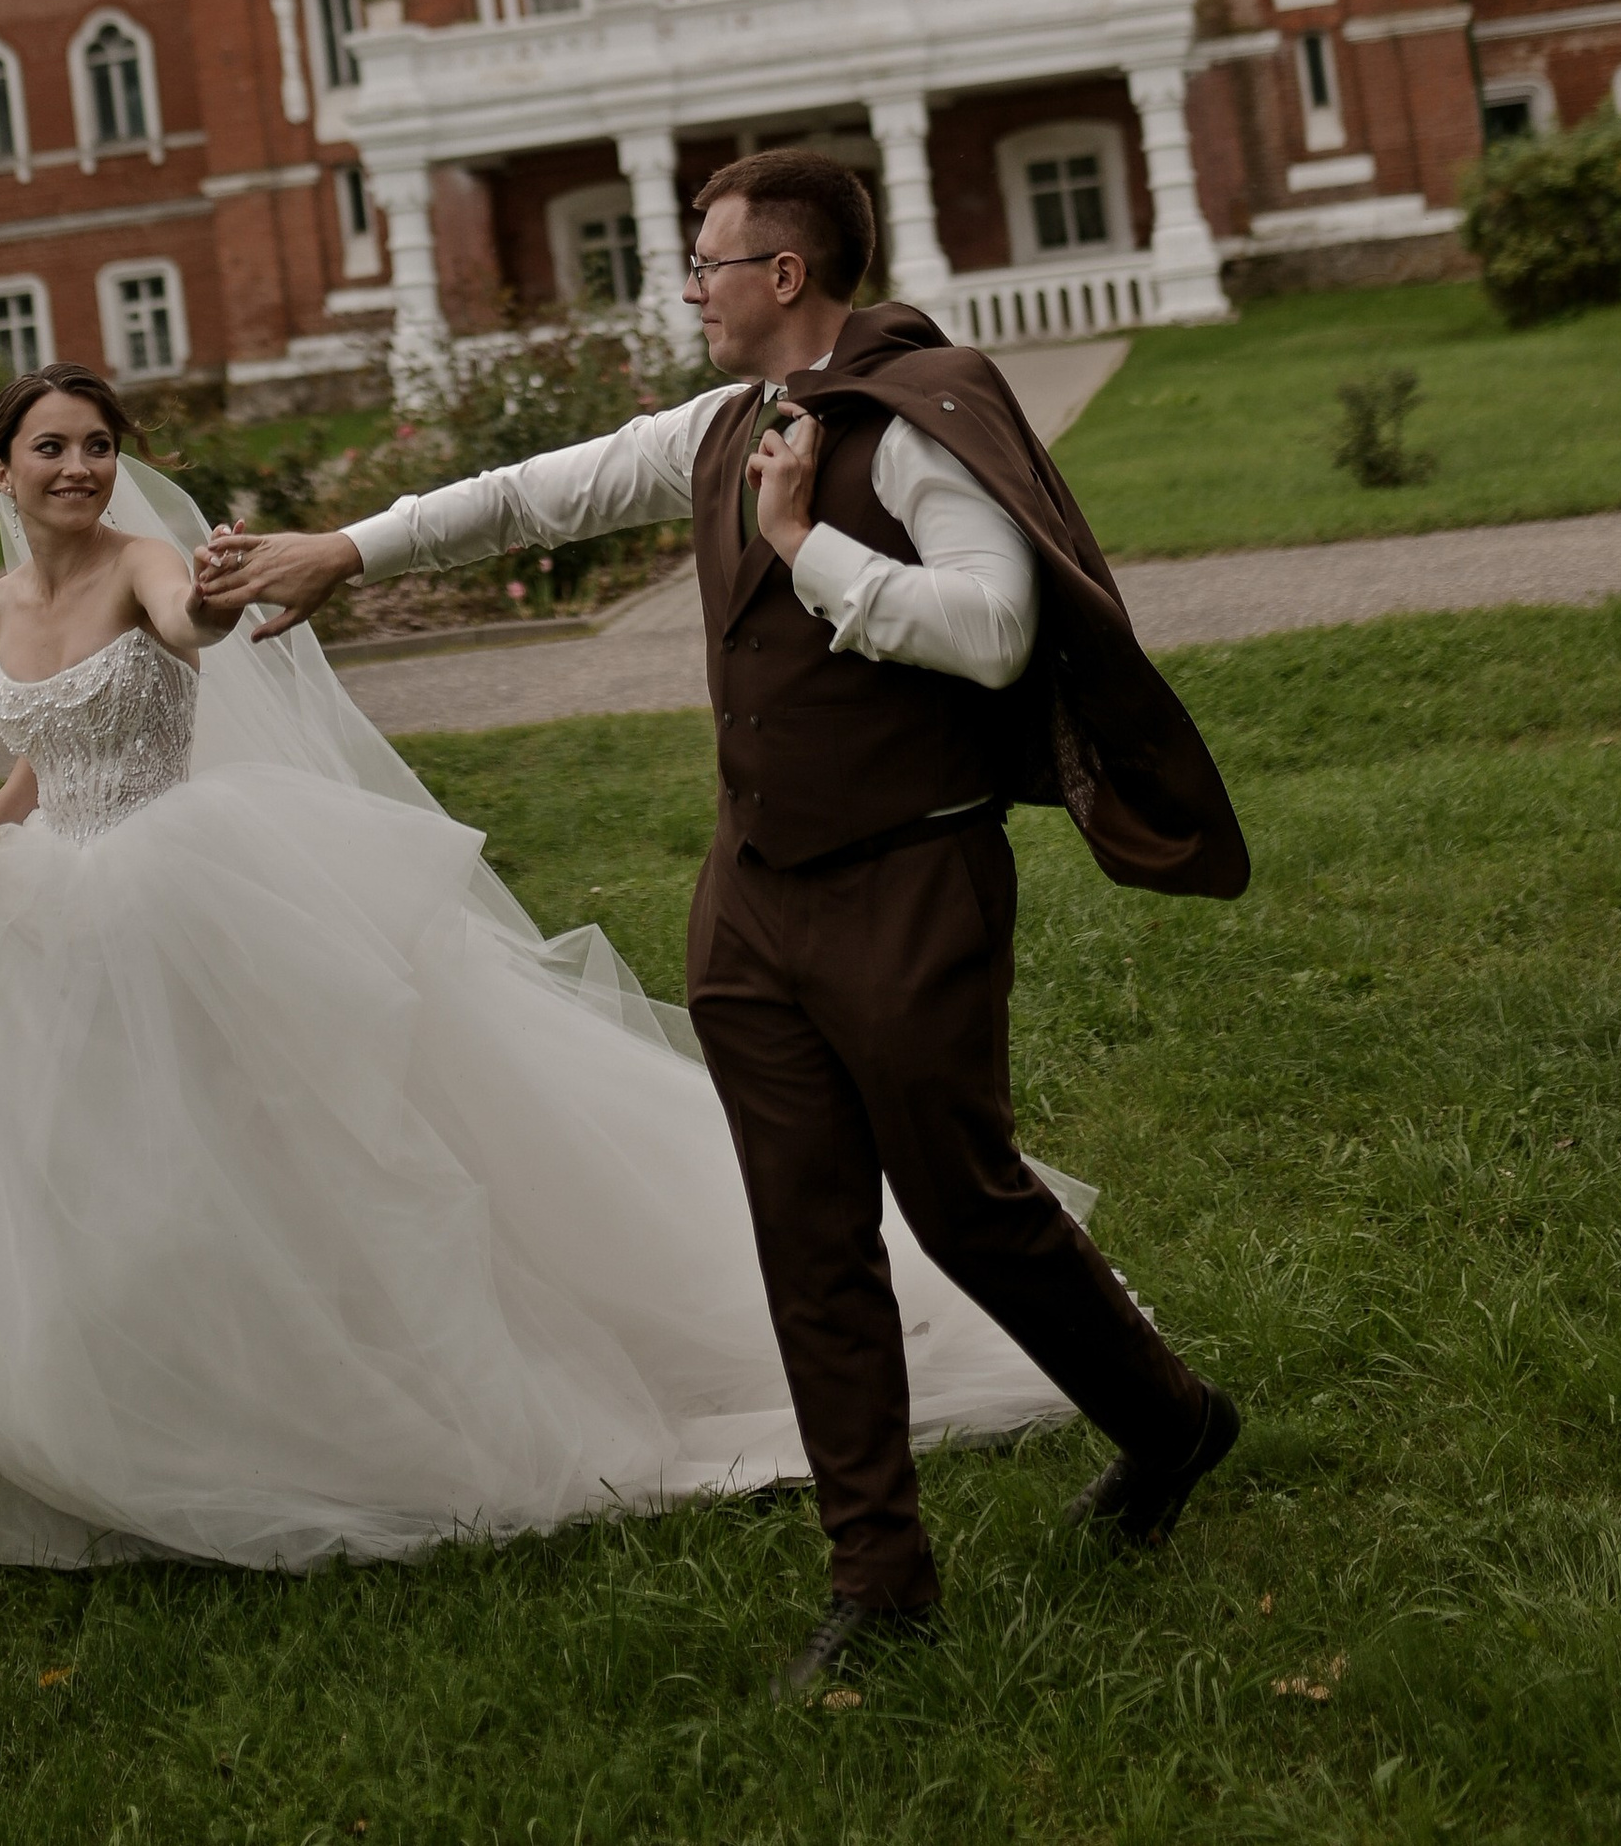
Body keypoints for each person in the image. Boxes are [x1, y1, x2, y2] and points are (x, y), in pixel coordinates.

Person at [0, 357, 1091, 1593]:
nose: (80, 469)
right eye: (51, 449)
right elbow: (47, 754)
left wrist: (216, 587)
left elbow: (187, 630)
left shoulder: (144, 565)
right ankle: (112, 1397)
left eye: (99, 447)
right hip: (53, 898)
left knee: (252, 1155)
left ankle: (308, 1405)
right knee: (68, 1167)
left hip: (175, 890)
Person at [195, 149, 1248, 1693]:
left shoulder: (908, 422)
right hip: (751, 897)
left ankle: (1170, 1421)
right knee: (806, 1235)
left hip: (912, 877)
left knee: (963, 1206)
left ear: (786, 278)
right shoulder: (714, 430)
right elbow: (535, 491)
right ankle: (879, 1579)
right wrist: (350, 551)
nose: (687, 287)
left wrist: (812, 551)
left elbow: (996, 625)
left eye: (706, 263)